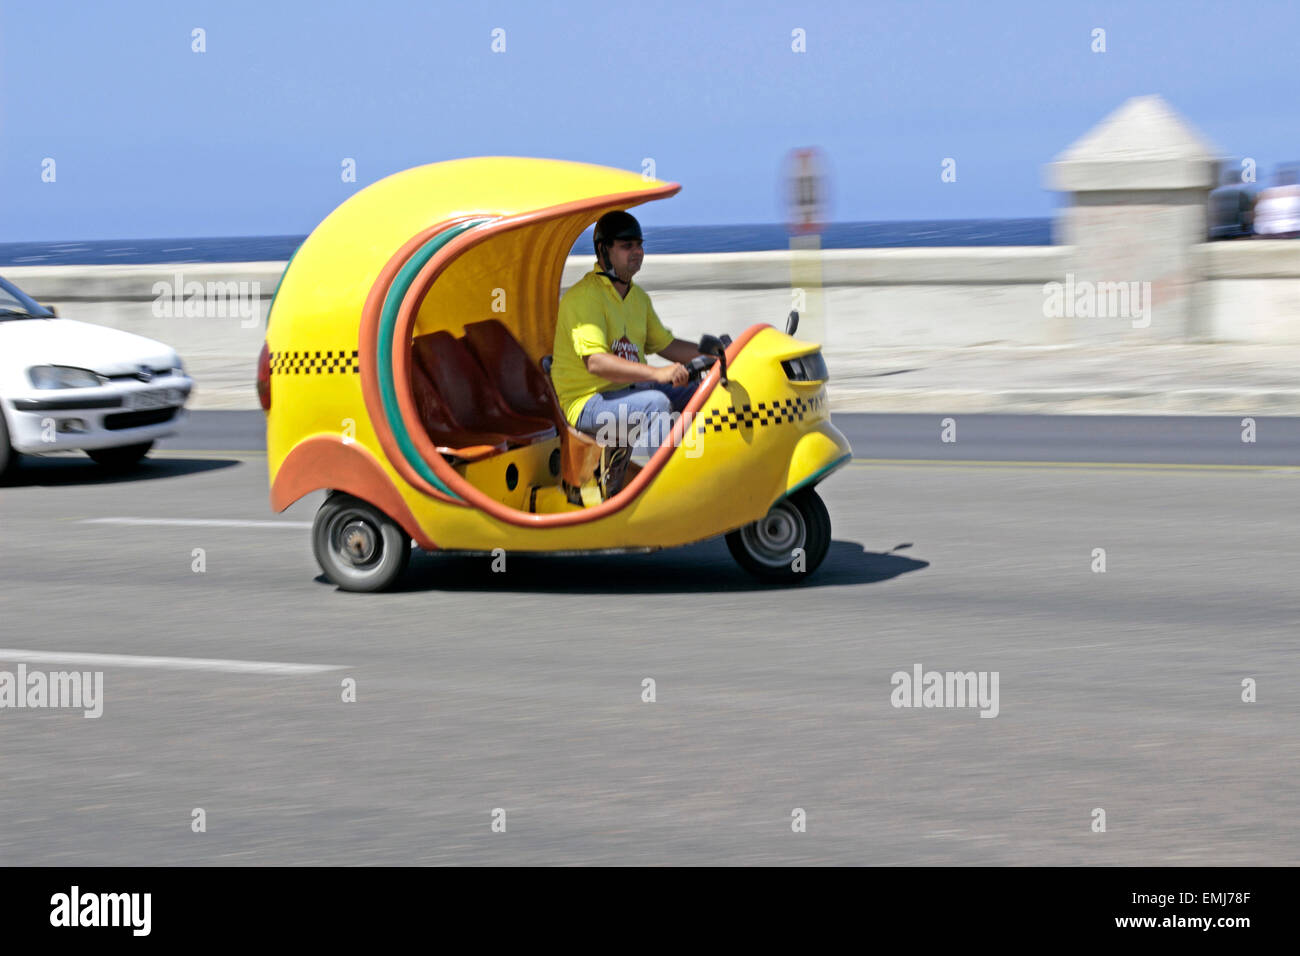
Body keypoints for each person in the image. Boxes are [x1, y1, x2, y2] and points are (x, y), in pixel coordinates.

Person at [550, 210, 703, 498]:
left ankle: (703, 473)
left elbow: (667, 346)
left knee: (702, 393)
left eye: (639, 245)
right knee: (656, 402)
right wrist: (657, 373)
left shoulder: (637, 298)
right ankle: (661, 494)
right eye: (626, 246)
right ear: (603, 250)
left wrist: (722, 354)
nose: (637, 252)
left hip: (625, 392)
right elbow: (595, 362)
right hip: (587, 404)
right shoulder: (584, 298)